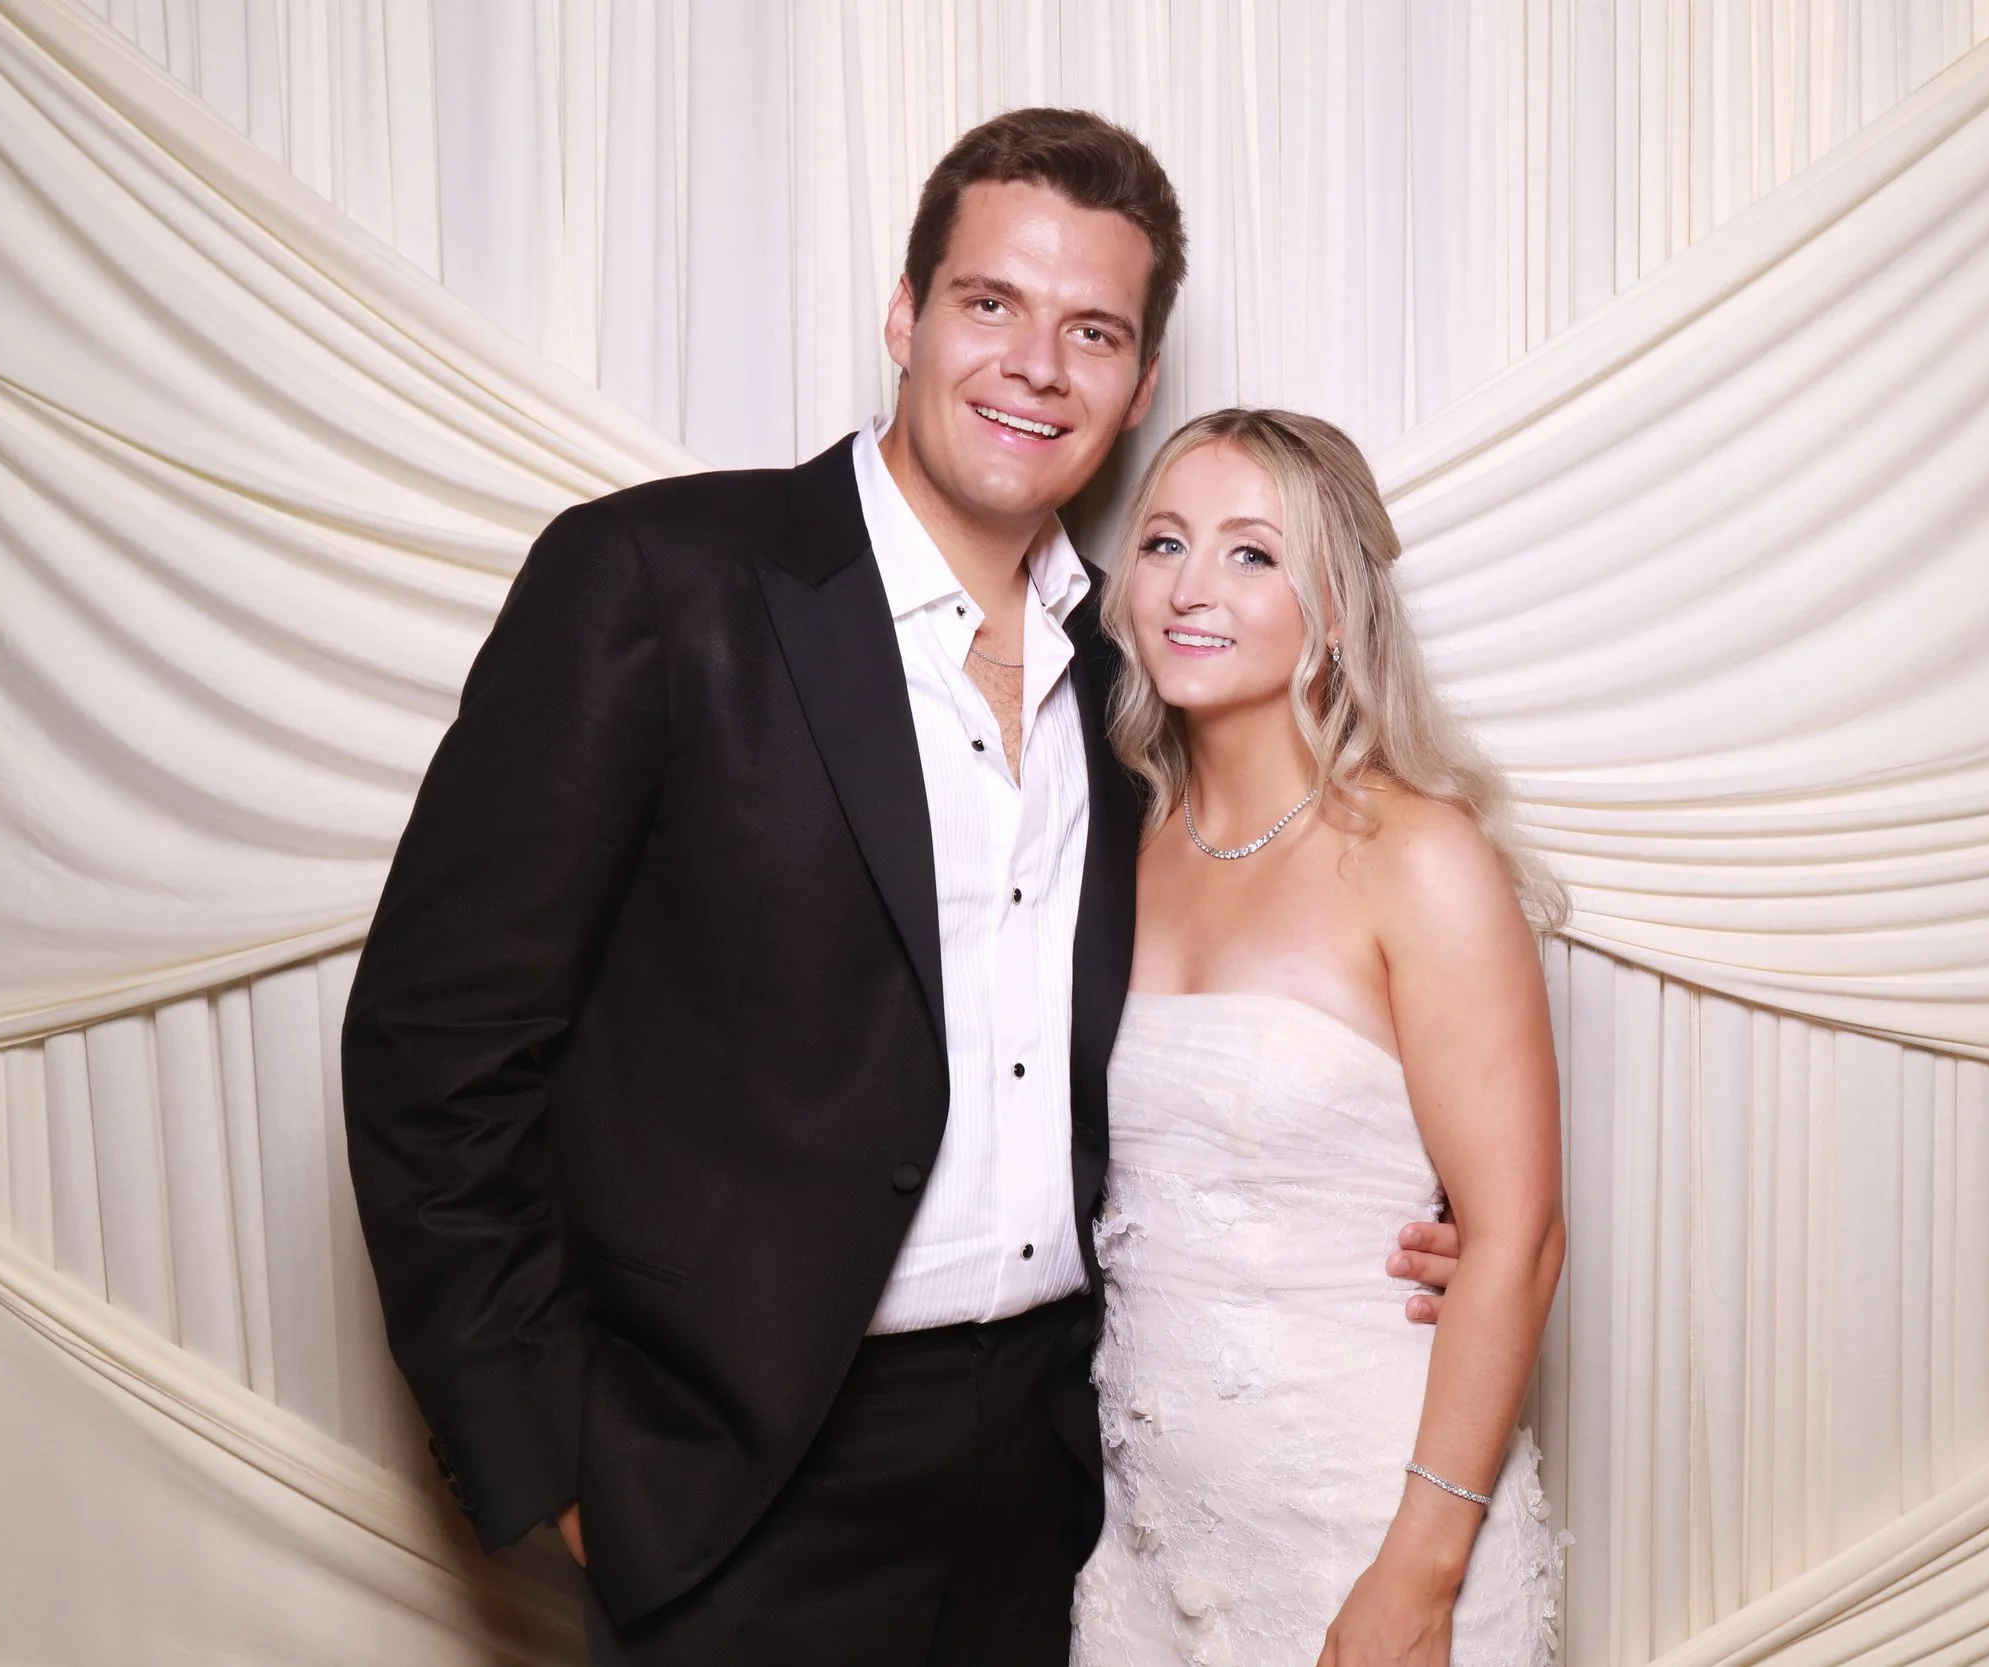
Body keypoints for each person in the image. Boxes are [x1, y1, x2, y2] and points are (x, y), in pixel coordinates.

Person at [340, 109, 1463, 1667]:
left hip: (1068, 1478)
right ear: (905, 315)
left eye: (1093, 331)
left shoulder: (1137, 675)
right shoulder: (661, 582)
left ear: (1139, 388)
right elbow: (435, 1050)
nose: (1035, 365)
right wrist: (566, 1464)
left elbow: (1257, 987)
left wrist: (1412, 1207)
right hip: (736, 1474)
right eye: (989, 304)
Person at [1070, 409, 1568, 1667]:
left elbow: (1518, 1233)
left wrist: (1420, 1565)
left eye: (1252, 554)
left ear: (1336, 608)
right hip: (1146, 1541)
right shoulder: (1109, 849)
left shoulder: (1419, 856)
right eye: (1165, 541)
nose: (1191, 587)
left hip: (1369, 1522)